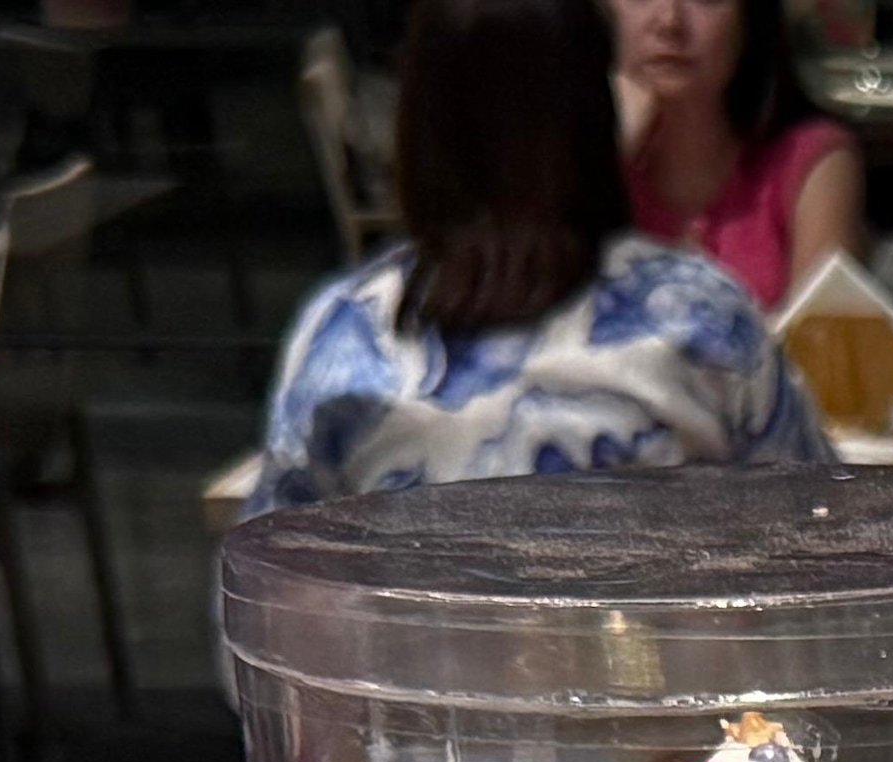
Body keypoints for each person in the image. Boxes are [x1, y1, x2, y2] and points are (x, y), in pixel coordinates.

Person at [257, 0, 829, 506]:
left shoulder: (343, 336)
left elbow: (261, 575)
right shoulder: (700, 317)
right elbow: (820, 529)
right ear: (598, 109)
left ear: (416, 125)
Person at [610, 0, 857, 306]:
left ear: (749, 22)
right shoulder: (575, 152)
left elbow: (822, 330)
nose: (669, 22)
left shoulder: (808, 159)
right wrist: (608, 155)